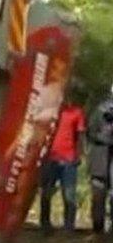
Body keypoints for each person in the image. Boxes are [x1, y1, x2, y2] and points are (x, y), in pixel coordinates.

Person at [41, 98, 87, 230]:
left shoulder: (77, 112)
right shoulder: (51, 111)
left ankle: (69, 225)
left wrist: (78, 155)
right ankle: (45, 224)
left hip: (69, 158)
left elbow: (80, 135)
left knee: (69, 193)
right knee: (47, 191)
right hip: (51, 157)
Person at [89, 89, 113, 232]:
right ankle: (97, 227)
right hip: (100, 159)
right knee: (98, 194)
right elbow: (91, 132)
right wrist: (106, 138)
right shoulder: (100, 110)